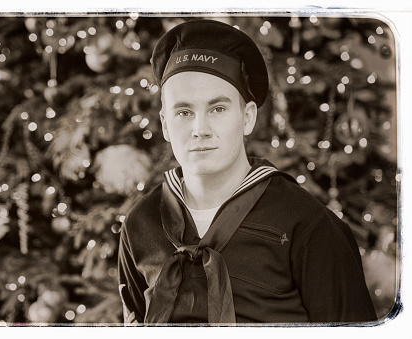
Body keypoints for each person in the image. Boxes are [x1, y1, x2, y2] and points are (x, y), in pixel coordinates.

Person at [117, 19, 377, 325]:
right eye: (184, 112)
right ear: (164, 124)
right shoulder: (140, 223)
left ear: (248, 117)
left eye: (218, 108)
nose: (200, 129)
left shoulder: (306, 224)